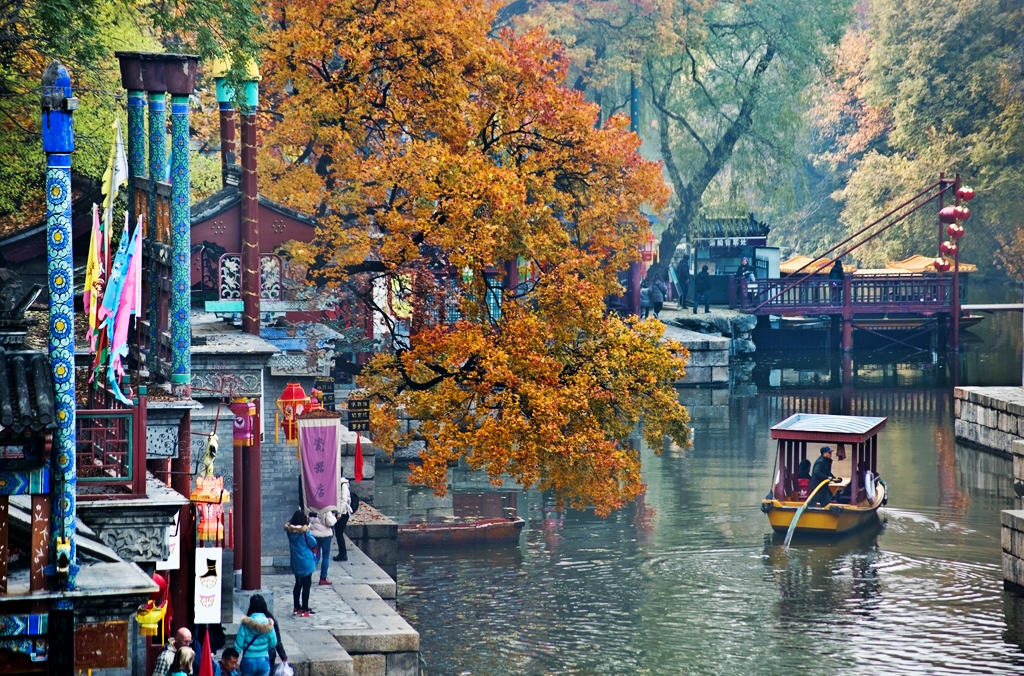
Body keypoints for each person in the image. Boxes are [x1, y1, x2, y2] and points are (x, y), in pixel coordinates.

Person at [234, 594, 278, 676]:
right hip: (264, 660)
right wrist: (264, 648)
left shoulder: (245, 623)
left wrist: (234, 656)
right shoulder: (269, 624)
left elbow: (238, 644)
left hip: (248, 660)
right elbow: (274, 642)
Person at [285, 509, 317, 615]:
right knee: (306, 585)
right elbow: (313, 542)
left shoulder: (290, 532)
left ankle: (296, 606)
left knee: (298, 584)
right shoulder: (304, 532)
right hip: (306, 561)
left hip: (295, 560)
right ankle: (305, 608)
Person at [309, 509, 336, 585]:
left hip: (314, 535)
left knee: (315, 556)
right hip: (326, 535)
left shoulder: (311, 508)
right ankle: (323, 578)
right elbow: (330, 522)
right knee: (326, 557)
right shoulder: (326, 510)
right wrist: (334, 517)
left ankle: (308, 576)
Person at [333, 475, 355, 562]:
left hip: (344, 512)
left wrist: (339, 513)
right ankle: (342, 553)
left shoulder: (343, 485)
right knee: (338, 533)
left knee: (339, 533)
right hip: (340, 511)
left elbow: (344, 500)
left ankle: (343, 554)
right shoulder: (338, 483)